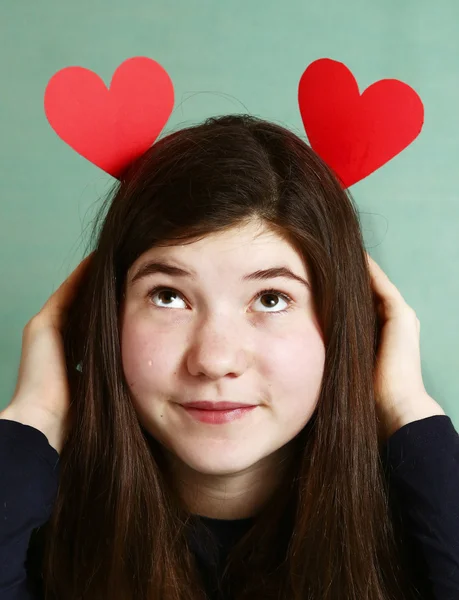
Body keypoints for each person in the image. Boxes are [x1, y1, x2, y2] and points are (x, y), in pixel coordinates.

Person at [1, 114, 458, 600]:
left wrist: (408, 408)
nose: (215, 360)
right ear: (103, 318)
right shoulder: (32, 536)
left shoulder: (422, 540)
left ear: (347, 324)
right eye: (168, 296)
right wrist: (35, 415)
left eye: (270, 299)